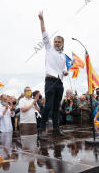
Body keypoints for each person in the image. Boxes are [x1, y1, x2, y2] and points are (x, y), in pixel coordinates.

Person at [38, 11, 69, 139]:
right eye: (55, 41)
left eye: (58, 42)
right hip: (50, 82)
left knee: (57, 107)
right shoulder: (49, 48)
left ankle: (56, 129)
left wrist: (65, 72)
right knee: (48, 106)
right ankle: (41, 130)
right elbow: (44, 34)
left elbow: (63, 69)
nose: (56, 43)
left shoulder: (63, 55)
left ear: (62, 43)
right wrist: (41, 20)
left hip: (59, 83)